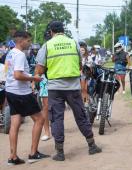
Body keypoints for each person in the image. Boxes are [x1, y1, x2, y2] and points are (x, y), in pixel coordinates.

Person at [35, 21, 101, 161]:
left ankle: (60, 153)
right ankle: (92, 146)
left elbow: (39, 70)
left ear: (51, 31)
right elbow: (79, 65)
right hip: (73, 87)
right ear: (63, 30)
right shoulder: (74, 43)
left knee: (57, 119)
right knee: (81, 116)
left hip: (54, 89)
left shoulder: (47, 46)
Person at [5, 30, 49, 165]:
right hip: (21, 93)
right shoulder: (20, 55)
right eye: (28, 41)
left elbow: (9, 72)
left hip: (10, 91)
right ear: (21, 40)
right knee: (40, 119)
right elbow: (18, 75)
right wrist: (33, 78)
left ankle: (13, 157)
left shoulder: (10, 53)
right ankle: (33, 153)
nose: (30, 44)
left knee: (15, 124)